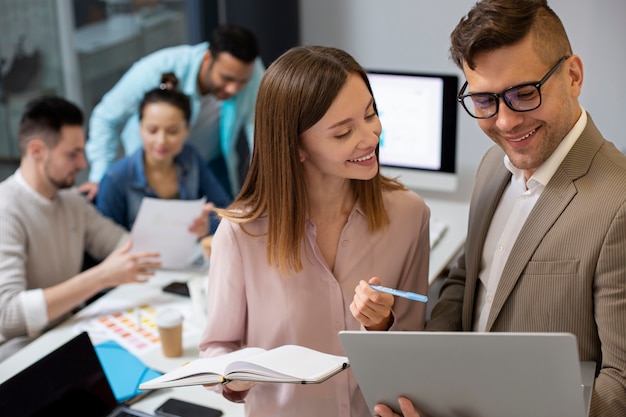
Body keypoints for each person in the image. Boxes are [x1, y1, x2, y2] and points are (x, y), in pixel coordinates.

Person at [375, 1, 626, 417]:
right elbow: (465, 280)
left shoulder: (618, 204)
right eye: (485, 100)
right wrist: (429, 383)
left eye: (524, 94)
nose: (506, 123)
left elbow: (620, 384)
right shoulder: (494, 165)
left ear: (573, 75)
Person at [198, 45, 430, 416]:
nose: (370, 138)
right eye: (343, 133)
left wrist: (383, 325)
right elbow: (216, 348)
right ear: (297, 147)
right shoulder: (242, 233)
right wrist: (235, 376)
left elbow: (416, 348)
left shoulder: (409, 215)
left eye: (371, 114)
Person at [0, 96, 162, 362]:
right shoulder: (5, 211)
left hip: (68, 337)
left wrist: (182, 229)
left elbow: (129, 246)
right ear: (37, 150)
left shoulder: (71, 200)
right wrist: (100, 277)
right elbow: (8, 315)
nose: (83, 164)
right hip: (22, 357)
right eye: (72, 153)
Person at [79, 24, 265, 201]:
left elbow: (260, 133)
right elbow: (106, 117)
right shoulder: (158, 69)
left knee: (223, 220)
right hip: (151, 166)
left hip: (209, 163)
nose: (233, 89)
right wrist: (99, 177)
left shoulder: (252, 71)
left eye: (242, 82)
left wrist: (267, 187)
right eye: (226, 78)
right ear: (208, 58)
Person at [96, 73, 232, 237]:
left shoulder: (190, 158)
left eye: (172, 131)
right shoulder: (115, 179)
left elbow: (225, 211)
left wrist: (207, 225)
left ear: (187, 130)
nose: (161, 141)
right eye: (152, 130)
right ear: (140, 128)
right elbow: (104, 242)